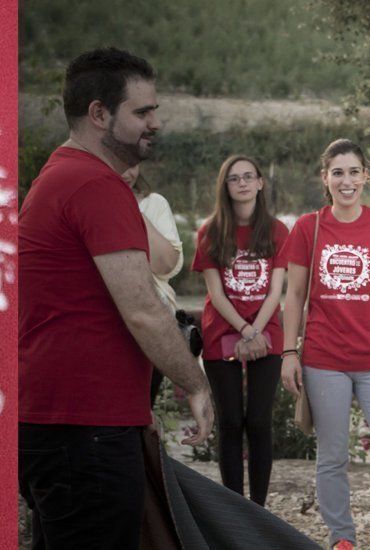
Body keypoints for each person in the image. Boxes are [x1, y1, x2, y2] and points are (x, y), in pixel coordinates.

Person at [18, 47, 213, 550]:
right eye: (142, 111)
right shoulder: (93, 185)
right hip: (85, 431)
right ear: (99, 114)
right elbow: (144, 310)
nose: (156, 122)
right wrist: (195, 384)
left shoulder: (61, 175)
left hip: (68, 424)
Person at [280, 139, 370, 550]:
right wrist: (290, 352)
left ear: (365, 177)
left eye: (354, 172)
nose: (347, 180)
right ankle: (342, 538)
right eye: (337, 172)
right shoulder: (308, 227)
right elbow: (293, 295)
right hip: (324, 359)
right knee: (333, 457)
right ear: (325, 178)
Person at [192, 155, 289, 507]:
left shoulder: (277, 230)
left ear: (261, 183)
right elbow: (216, 294)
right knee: (231, 421)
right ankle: (235, 507)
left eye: (249, 177)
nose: (243, 183)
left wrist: (257, 331)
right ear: (226, 186)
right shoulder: (210, 231)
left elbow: (276, 290)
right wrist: (246, 330)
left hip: (267, 332)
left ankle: (258, 509)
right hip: (222, 331)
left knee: (259, 421)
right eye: (235, 178)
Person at [121, 163, 184, 404]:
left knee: (143, 408)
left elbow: (166, 264)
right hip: (101, 326)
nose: (127, 173)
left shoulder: (154, 203)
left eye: (132, 165)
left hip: (150, 324)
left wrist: (129, 206)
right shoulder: (85, 200)